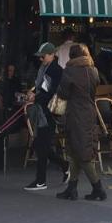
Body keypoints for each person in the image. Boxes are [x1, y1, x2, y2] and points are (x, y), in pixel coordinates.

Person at [55, 44, 106, 201]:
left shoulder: (69, 71)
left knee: (82, 154)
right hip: (90, 113)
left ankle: (98, 188)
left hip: (75, 114)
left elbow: (63, 93)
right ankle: (72, 188)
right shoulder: (93, 70)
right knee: (75, 152)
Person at [24, 43, 69, 192]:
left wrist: (34, 97)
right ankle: (64, 165)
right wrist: (34, 94)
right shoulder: (47, 68)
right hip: (43, 111)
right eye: (40, 56)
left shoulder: (54, 70)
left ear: (51, 55)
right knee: (41, 145)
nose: (41, 59)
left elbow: (48, 92)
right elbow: (43, 88)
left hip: (48, 112)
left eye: (43, 56)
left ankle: (41, 180)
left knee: (41, 145)